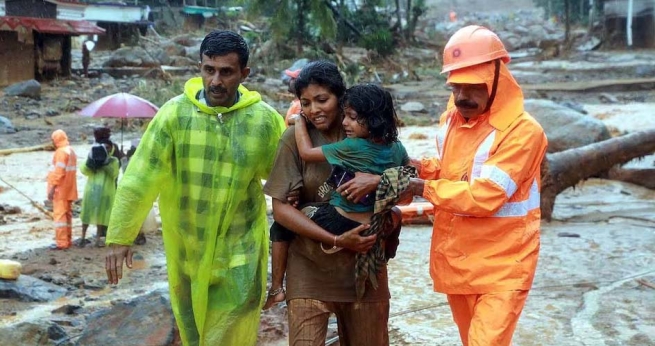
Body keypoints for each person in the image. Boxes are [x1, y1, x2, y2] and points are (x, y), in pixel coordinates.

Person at [103, 30, 286, 346]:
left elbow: (289, 180)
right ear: (200, 67)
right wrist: (121, 235)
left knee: (225, 335)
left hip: (240, 250)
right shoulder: (175, 115)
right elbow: (140, 176)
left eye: (226, 72)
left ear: (245, 74)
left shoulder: (264, 122)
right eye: (208, 70)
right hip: (187, 249)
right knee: (193, 334)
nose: (215, 81)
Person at [405, 25, 548, 346]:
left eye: (471, 87)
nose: (461, 97)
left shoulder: (523, 131)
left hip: (503, 266)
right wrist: (419, 166)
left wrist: (420, 187)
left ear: (497, 79)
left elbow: (486, 196)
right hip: (458, 260)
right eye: (455, 87)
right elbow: (454, 171)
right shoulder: (452, 119)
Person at [263, 60, 396, 345]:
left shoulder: (374, 137)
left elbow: (408, 184)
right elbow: (281, 210)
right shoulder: (294, 140)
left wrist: (378, 183)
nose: (314, 110)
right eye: (306, 103)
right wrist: (335, 239)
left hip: (364, 271)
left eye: (322, 100)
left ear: (342, 97)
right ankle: (277, 287)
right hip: (309, 269)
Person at [79, 142, 120, 248]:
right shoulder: (94, 159)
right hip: (92, 191)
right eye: (104, 148)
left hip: (105, 193)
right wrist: (90, 159)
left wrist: (105, 163)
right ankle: (82, 237)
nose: (105, 150)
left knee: (102, 216)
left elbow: (114, 174)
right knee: (87, 215)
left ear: (111, 149)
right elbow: (84, 170)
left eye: (108, 148)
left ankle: (98, 239)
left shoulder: (113, 161)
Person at [46, 129, 78, 250]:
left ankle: (62, 242)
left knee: (60, 217)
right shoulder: (71, 151)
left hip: (60, 190)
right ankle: (68, 240)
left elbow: (58, 173)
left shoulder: (60, 152)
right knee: (67, 216)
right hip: (70, 188)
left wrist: (52, 189)